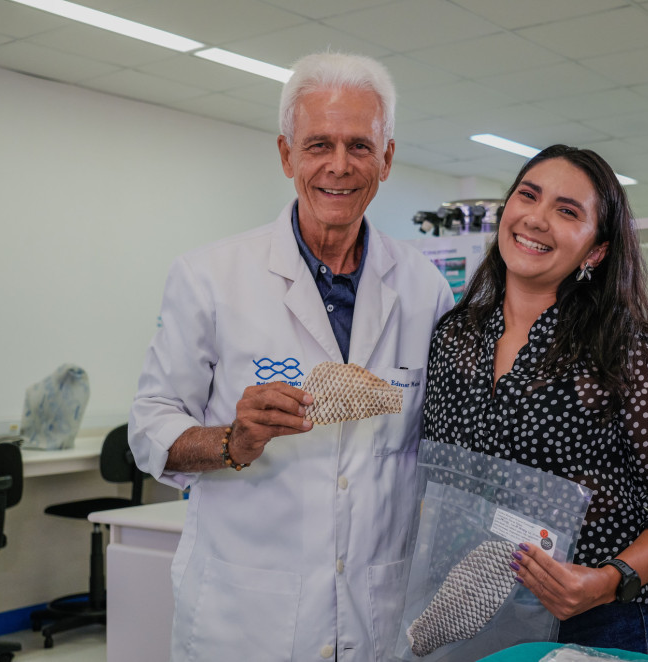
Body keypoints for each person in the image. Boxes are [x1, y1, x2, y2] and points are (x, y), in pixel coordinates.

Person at [129, 52, 454, 661]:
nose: (339, 165)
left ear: (387, 159)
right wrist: (232, 440)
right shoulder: (209, 276)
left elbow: (435, 442)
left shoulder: (423, 288)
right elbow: (148, 428)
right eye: (318, 145)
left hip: (377, 610)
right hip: (249, 616)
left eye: (360, 146)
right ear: (286, 155)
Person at [422, 145, 648, 658]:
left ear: (596, 250)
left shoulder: (624, 349)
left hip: (600, 622)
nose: (536, 219)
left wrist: (607, 581)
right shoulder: (456, 337)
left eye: (567, 211)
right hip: (472, 611)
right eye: (528, 196)